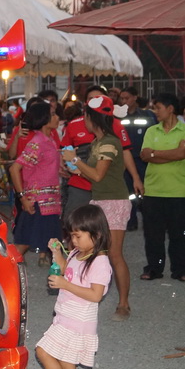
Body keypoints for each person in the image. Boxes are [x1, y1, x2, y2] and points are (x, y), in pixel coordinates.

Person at [63, 95, 141, 321]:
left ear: (91, 118)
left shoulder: (107, 142)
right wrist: (77, 168)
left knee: (114, 254)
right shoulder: (99, 141)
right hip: (102, 200)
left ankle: (124, 304)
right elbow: (96, 175)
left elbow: (98, 175)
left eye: (85, 116)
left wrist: (75, 161)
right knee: (98, 251)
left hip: (113, 202)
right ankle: (92, 294)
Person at [35, 204, 112, 369]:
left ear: (96, 235)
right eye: (71, 236)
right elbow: (65, 269)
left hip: (79, 323)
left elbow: (96, 295)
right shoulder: (78, 253)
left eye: (78, 236)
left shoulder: (100, 262)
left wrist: (65, 285)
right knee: (44, 352)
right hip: (64, 317)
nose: (73, 241)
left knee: (67, 368)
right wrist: (57, 253)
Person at [58, 85, 138, 224]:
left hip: (108, 193)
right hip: (85, 187)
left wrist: (75, 160)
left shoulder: (109, 138)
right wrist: (73, 169)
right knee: (79, 226)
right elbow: (64, 150)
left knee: (102, 232)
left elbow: (98, 175)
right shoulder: (91, 137)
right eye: (91, 99)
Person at [138, 93, 185, 281]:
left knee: (179, 234)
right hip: (153, 191)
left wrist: (155, 154)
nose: (155, 111)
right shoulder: (152, 131)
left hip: (179, 191)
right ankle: (154, 269)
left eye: (158, 108)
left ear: (170, 108)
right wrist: (176, 153)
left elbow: (182, 154)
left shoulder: (184, 130)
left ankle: (180, 270)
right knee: (152, 235)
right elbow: (144, 155)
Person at [8, 99, 61, 264]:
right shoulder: (38, 143)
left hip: (49, 202)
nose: (57, 117)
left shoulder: (50, 140)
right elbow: (14, 168)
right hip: (38, 203)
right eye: (53, 114)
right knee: (23, 244)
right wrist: (22, 197)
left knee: (52, 244)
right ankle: (4, 271)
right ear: (44, 119)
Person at [117, 86, 156, 231]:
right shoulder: (118, 117)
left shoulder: (147, 115)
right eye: (122, 98)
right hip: (125, 160)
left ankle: (150, 222)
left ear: (135, 97)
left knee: (147, 190)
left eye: (127, 98)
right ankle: (131, 221)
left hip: (143, 160)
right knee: (128, 192)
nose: (124, 101)